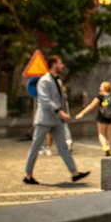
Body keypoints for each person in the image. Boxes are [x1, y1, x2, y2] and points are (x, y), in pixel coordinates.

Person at [23, 55, 89, 185]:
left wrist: (64, 112)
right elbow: (45, 100)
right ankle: (28, 175)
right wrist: (60, 111)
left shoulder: (57, 81)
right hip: (45, 119)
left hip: (57, 120)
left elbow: (60, 99)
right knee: (35, 147)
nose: (62, 65)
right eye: (60, 63)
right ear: (54, 64)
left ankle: (74, 173)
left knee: (63, 147)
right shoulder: (44, 81)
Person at [75, 81, 111, 156]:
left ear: (103, 88)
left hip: (102, 117)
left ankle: (105, 147)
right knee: (110, 134)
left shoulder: (100, 96)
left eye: (101, 86)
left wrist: (82, 113)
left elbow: (91, 106)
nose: (99, 87)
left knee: (101, 134)